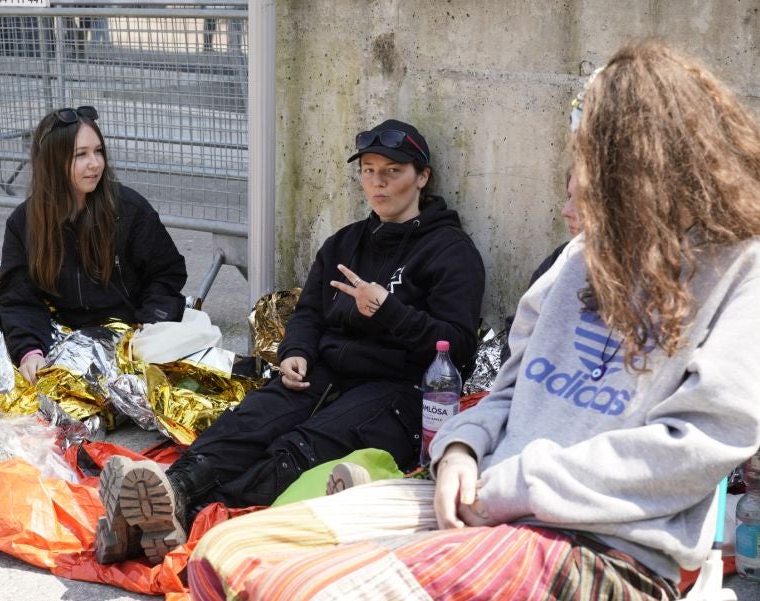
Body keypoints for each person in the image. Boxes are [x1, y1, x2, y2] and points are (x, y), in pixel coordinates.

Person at [183, 42, 760, 600]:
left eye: (590, 159)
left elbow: (697, 445)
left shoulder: (740, 270)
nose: (574, 183)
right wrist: (459, 448)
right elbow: (505, 393)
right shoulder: (574, 261)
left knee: (299, 587)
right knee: (222, 557)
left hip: (598, 544)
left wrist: (506, 485)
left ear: (645, 161)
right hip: (477, 495)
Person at [94, 119, 486, 565]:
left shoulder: (451, 252)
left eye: (393, 171)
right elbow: (309, 313)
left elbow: (458, 350)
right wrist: (295, 352)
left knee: (299, 448)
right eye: (369, 170)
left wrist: (388, 310)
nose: (378, 183)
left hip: (396, 390)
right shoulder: (344, 244)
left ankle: (175, 514)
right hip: (324, 373)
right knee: (248, 423)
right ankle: (172, 492)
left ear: (422, 177)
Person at [0, 106, 187, 385]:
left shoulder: (128, 208)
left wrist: (151, 326)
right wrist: (29, 351)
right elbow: (19, 298)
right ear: (51, 162)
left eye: (98, 151)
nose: (95, 164)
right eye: (81, 155)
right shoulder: (24, 223)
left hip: (133, 332)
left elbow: (166, 274)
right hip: (65, 337)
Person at [500, 166, 580, 363]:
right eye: (569, 196)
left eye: (584, 199)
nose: (566, 210)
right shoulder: (561, 260)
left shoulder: (654, 279)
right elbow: (516, 339)